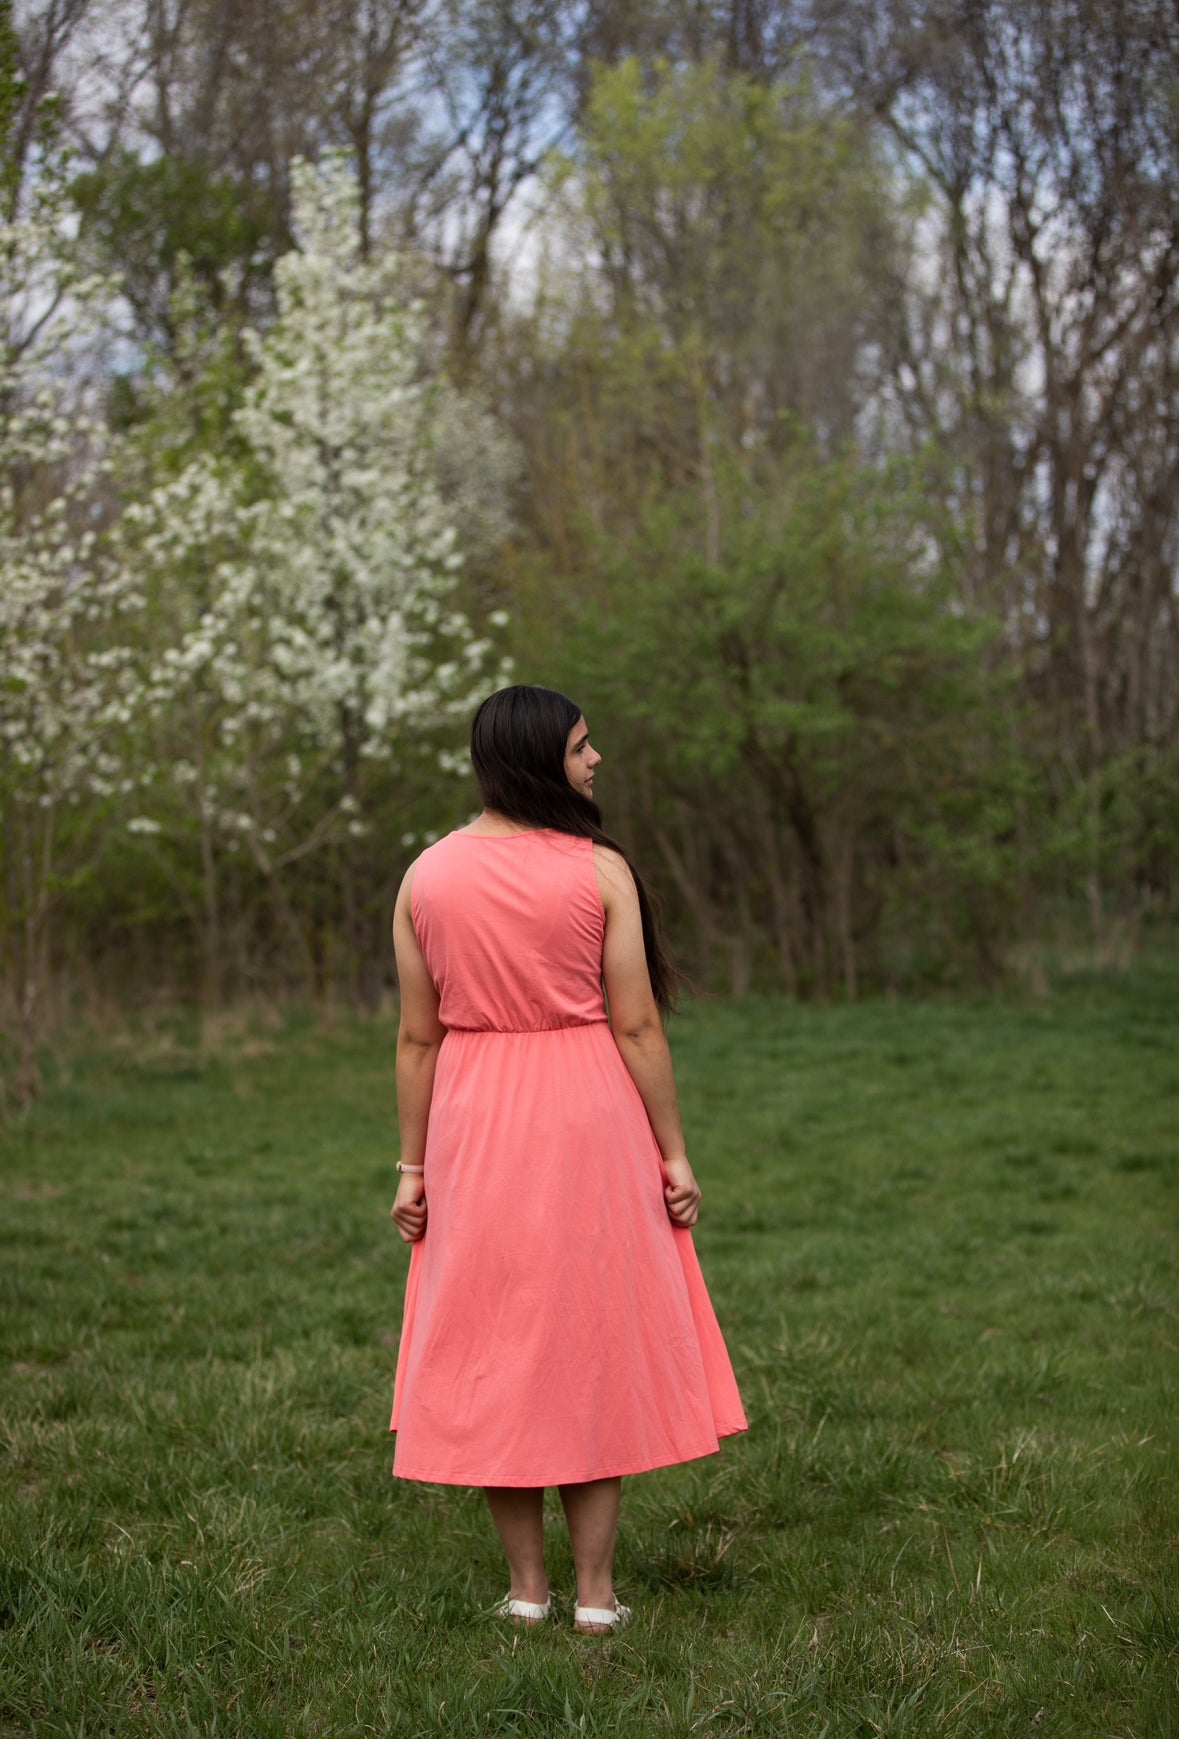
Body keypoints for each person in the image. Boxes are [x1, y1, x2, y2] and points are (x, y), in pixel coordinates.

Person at [389, 684, 746, 1634]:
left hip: (476, 1123)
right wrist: (673, 1153)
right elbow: (633, 1020)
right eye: (583, 748)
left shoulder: (425, 876)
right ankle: (595, 1596)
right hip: (588, 1118)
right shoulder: (599, 873)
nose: (595, 762)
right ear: (540, 759)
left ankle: (525, 1591)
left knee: (494, 1344)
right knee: (588, 1343)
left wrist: (411, 1169)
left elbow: (417, 1038)